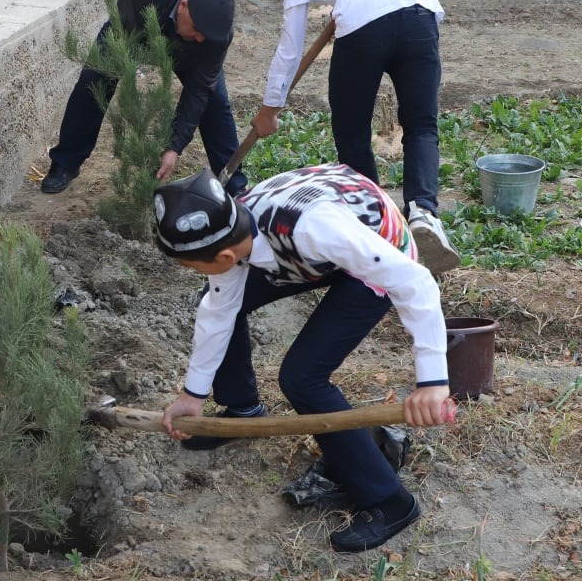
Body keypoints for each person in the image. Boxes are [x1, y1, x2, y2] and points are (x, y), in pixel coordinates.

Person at [152, 164, 451, 552]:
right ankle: (242, 407)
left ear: (224, 255)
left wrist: (432, 381)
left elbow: (414, 280)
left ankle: (388, 500)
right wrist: (194, 395)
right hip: (310, 246)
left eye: (189, 265)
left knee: (301, 377)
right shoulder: (233, 231)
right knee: (220, 302)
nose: (190, 270)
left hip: (378, 249)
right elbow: (219, 309)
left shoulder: (314, 230)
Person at [252, 0, 461, 275]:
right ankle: (424, 212)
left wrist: (270, 107)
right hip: (421, 16)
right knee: (422, 125)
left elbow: (290, 44)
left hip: (365, 25)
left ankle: (376, 226)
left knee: (351, 133)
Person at [40, 0, 247, 196]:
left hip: (187, 52)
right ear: (183, 5)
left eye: (208, 35)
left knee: (214, 100)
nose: (203, 38)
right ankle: (65, 163)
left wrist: (174, 147)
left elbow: (197, 93)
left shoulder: (213, 35)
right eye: (199, 30)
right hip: (130, 28)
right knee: (93, 81)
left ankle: (234, 183)